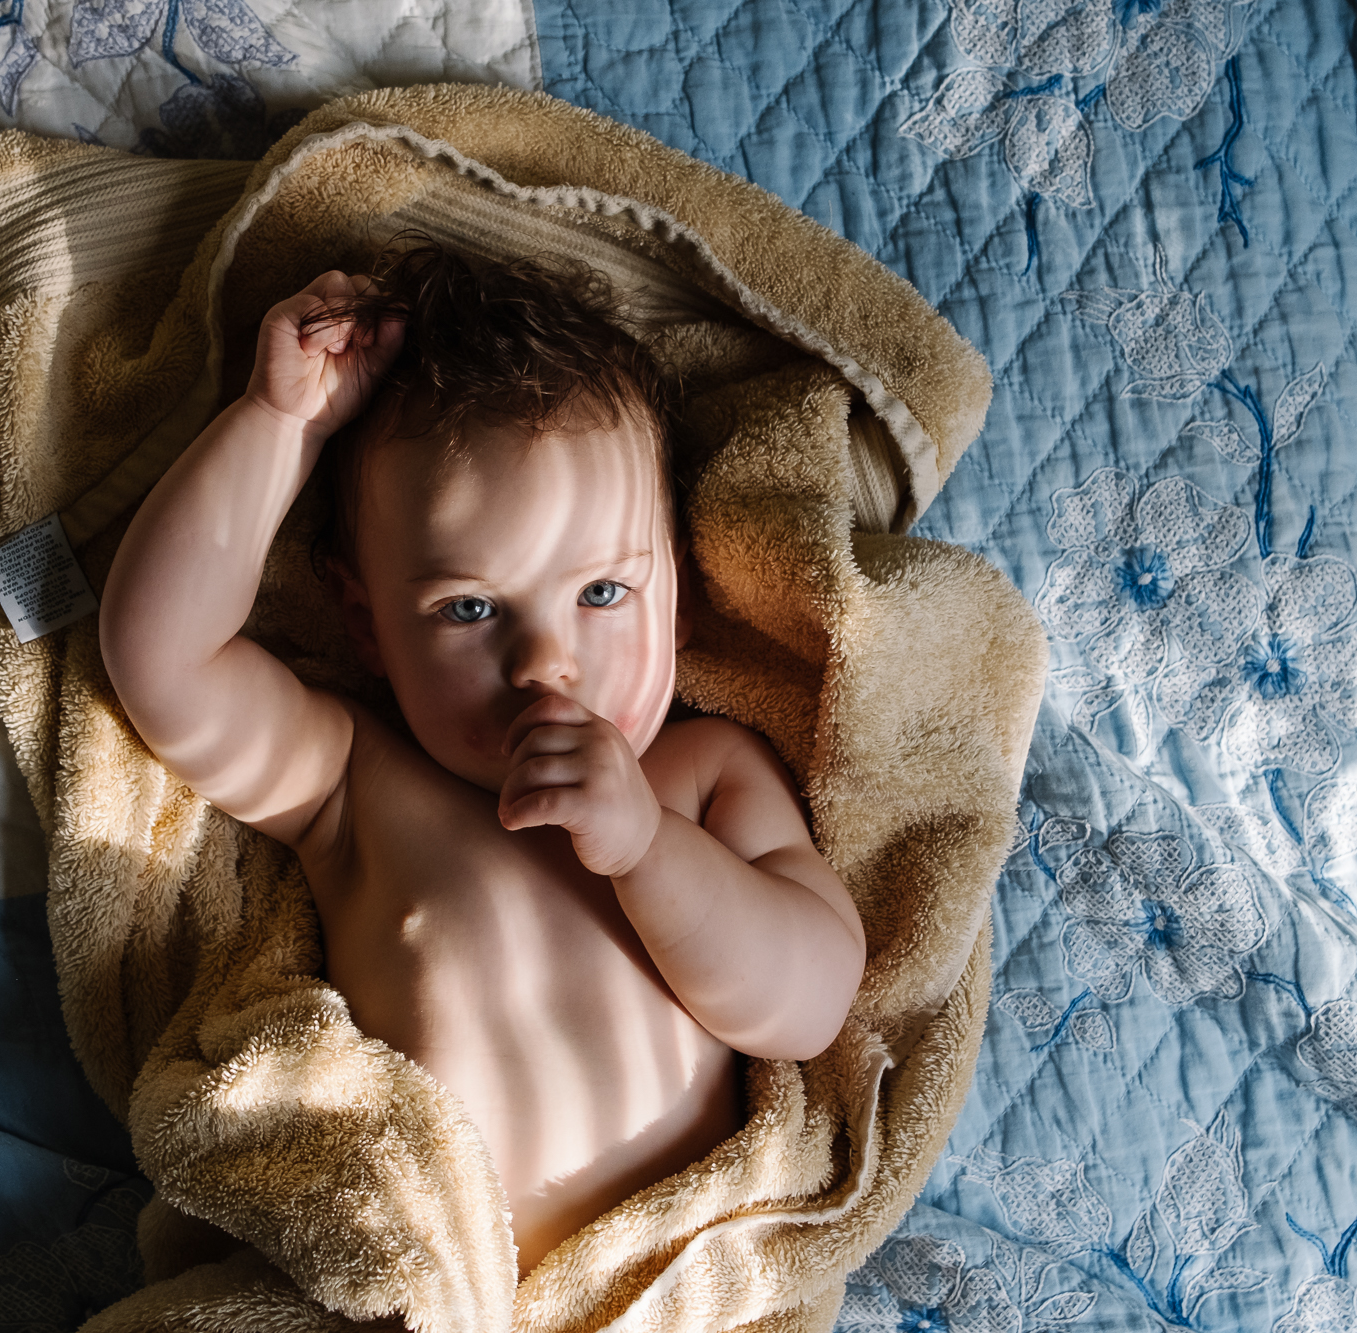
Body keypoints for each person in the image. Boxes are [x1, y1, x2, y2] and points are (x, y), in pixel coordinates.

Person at [97, 243, 866, 1275]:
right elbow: (162, 654)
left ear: (675, 596)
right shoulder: (349, 781)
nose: (545, 661)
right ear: (369, 629)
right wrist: (278, 424)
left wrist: (645, 846)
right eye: (467, 608)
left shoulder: (702, 776)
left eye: (601, 593)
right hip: (425, 1282)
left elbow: (808, 1004)